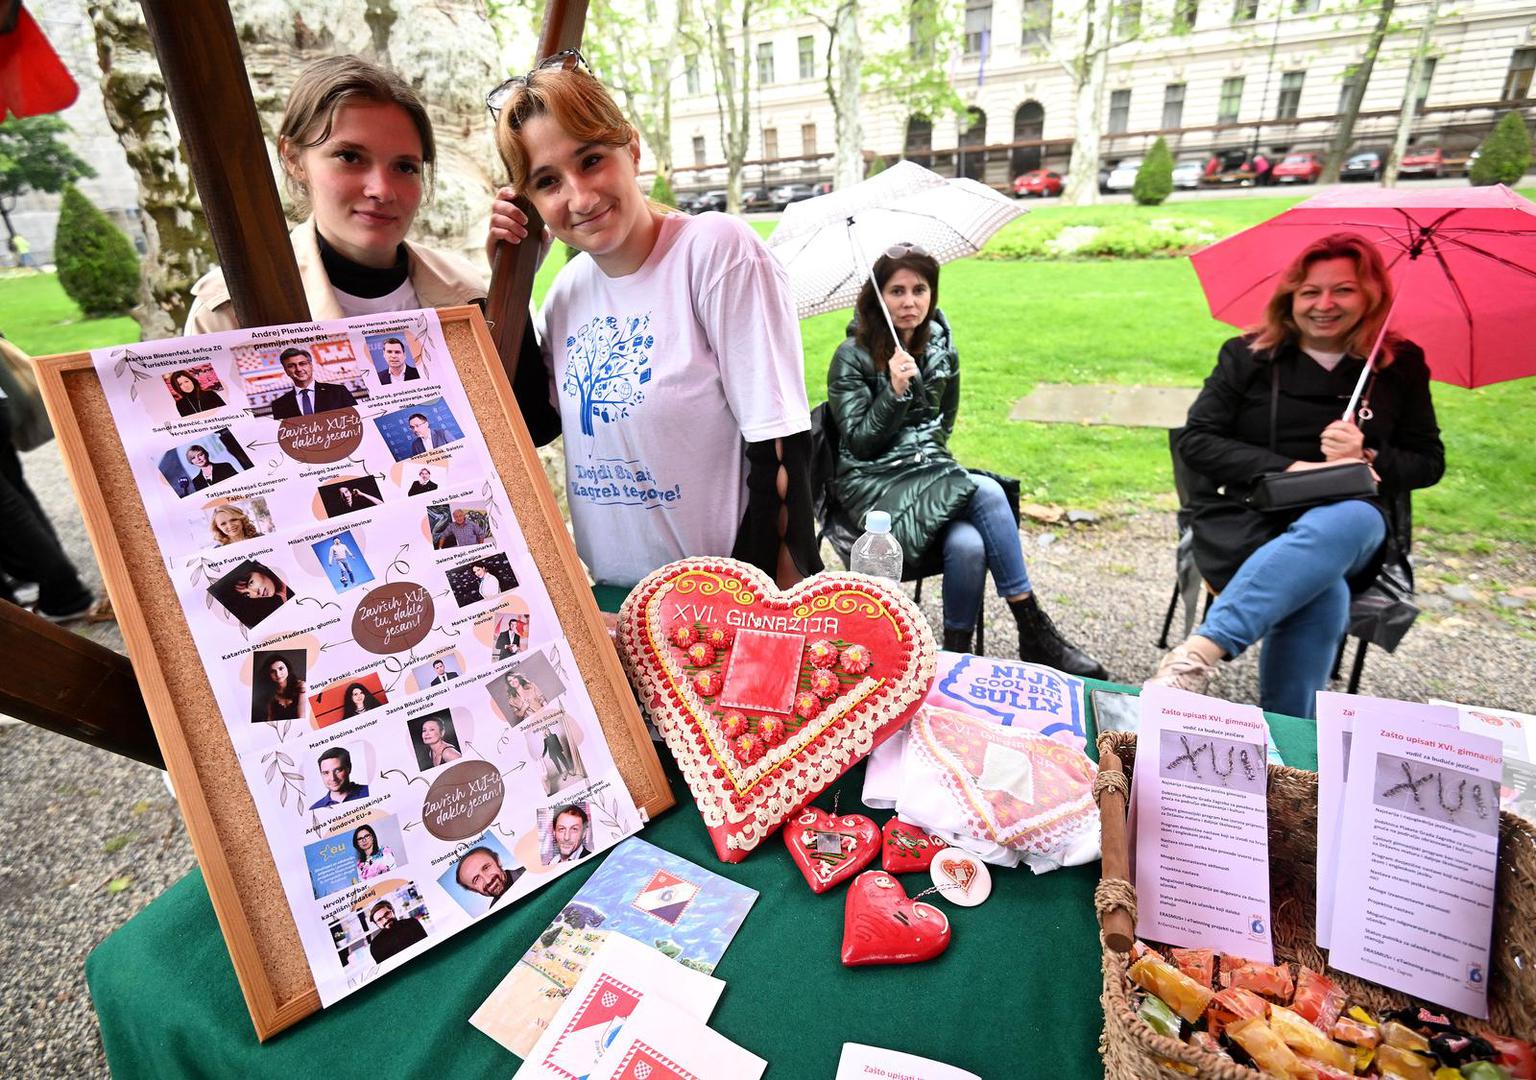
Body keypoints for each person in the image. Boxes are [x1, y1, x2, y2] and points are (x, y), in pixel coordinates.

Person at [489, 51, 820, 590]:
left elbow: (780, 443)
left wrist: (763, 603)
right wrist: (513, 279)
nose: (580, 195)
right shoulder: (569, 290)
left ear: (632, 148)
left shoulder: (714, 252)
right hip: (615, 604)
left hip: (715, 602)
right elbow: (537, 423)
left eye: (591, 159)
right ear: (528, 201)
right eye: (548, 182)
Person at [184, 56, 558, 444]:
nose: (381, 190)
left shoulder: (467, 295)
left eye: (405, 167)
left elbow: (531, 429)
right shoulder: (231, 312)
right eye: (350, 157)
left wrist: (510, 285)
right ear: (294, 159)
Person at [1149, 232, 1444, 719]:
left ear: (1371, 296)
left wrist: (1367, 456)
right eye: (1310, 291)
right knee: (1319, 589)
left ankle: (1199, 654)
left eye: (1343, 290)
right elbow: (1198, 440)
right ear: (1291, 297)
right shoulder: (1247, 356)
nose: (1324, 304)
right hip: (1248, 517)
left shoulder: (1398, 364)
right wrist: (1292, 468)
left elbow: (1429, 462)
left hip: (1349, 527)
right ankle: (1292, 747)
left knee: (1351, 520)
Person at [826, 245, 1107, 678]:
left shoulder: (941, 347)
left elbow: (944, 421)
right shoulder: (853, 355)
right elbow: (860, 443)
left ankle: (955, 659)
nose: (909, 301)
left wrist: (929, 455)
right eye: (896, 291)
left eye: (920, 289)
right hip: (874, 484)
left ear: (932, 294)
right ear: (878, 298)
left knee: (969, 544)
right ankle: (1033, 628)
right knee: (988, 489)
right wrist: (894, 392)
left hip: (929, 471)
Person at [268, 347, 357, 420]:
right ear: (286, 371)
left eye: (302, 364)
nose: (298, 369)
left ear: (311, 366)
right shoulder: (279, 405)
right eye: (291, 366)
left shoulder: (338, 392)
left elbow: (357, 419)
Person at [454, 846, 523, 907]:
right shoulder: (495, 915)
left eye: (486, 868)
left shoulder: (530, 871)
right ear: (473, 890)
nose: (488, 880)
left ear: (498, 861)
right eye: (476, 879)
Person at [227, 561, 292, 625]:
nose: (255, 593)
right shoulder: (280, 602)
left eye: (251, 583)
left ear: (260, 568)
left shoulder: (290, 577)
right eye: (247, 594)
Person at [260, 653, 305, 723]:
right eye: (272, 671)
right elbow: (270, 719)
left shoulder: (301, 686)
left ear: (287, 668)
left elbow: (302, 718)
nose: (278, 674)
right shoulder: (270, 694)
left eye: (281, 668)